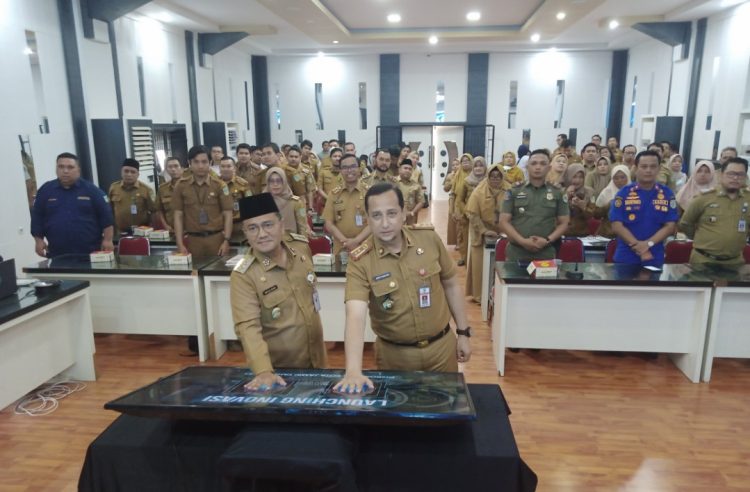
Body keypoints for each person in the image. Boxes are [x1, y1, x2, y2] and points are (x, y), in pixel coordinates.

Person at [333, 183, 472, 393]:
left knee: (447, 415)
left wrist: (463, 333)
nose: (385, 223)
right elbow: (355, 315)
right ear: (368, 219)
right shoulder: (361, 261)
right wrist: (353, 370)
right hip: (395, 358)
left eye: (391, 213)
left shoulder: (429, 239)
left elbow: (451, 284)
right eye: (377, 216)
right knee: (400, 423)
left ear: (404, 212)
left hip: (442, 349)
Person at [230, 193, 327, 390]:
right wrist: (263, 371)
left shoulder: (300, 249)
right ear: (245, 233)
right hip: (279, 374)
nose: (261, 234)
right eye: (252, 228)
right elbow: (248, 328)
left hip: (318, 363)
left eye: (268, 225)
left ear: (281, 224)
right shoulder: (245, 275)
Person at [31, 152, 114, 257]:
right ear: (56, 169)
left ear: (78, 170)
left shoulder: (91, 190)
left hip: (89, 252)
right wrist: (38, 240)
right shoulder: (46, 191)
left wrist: (108, 240)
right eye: (61, 167)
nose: (65, 171)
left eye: (70, 167)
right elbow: (37, 217)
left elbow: (106, 217)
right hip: (57, 252)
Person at [609, 150, 678, 268]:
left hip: (654, 256)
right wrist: (641, 248)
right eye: (644, 166)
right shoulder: (624, 193)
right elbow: (617, 226)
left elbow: (670, 226)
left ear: (659, 168)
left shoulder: (667, 194)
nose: (648, 170)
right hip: (626, 257)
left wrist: (648, 244)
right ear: (636, 168)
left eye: (653, 166)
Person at [499, 149, 570, 261]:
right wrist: (522, 241)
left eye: (542, 164)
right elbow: (504, 221)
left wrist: (547, 240)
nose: (538, 167)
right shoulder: (514, 191)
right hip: (516, 252)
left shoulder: (558, 192)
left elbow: (564, 223)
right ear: (527, 167)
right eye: (534, 163)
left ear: (549, 168)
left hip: (545, 252)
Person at [678, 157, 750, 265]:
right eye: (731, 174)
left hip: (734, 262)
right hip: (703, 260)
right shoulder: (704, 198)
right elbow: (685, 223)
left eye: (740, 174)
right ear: (721, 175)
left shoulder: (748, 199)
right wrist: (702, 239)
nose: (735, 178)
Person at [172, 145, 234, 258]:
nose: (200, 166)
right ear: (189, 163)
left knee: (217, 273)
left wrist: (226, 240)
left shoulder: (220, 185)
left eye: (204, 162)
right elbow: (178, 215)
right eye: (196, 162)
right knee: (194, 274)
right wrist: (179, 243)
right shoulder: (181, 186)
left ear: (210, 163)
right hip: (192, 241)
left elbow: (228, 214)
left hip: (216, 240)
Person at [465, 163, 507, 303]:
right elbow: (472, 213)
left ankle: (499, 296)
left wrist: (506, 230)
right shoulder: (479, 191)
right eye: (492, 176)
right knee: (480, 267)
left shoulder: (509, 190)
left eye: (498, 176)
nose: (495, 179)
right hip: (481, 232)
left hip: (504, 232)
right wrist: (484, 230)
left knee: (501, 265)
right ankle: (480, 295)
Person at [322, 153, 371, 257]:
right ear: (340, 170)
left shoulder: (370, 192)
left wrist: (356, 241)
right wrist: (345, 242)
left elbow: (374, 222)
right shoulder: (334, 194)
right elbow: (329, 223)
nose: (349, 170)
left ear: (359, 169)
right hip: (341, 249)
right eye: (345, 167)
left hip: (366, 247)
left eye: (353, 166)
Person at [108, 158, 156, 236]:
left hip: (142, 232)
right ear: (121, 172)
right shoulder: (114, 188)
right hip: (119, 232)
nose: (129, 174)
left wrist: (152, 230)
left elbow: (154, 212)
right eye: (126, 171)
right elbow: (110, 210)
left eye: (133, 172)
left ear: (138, 174)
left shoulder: (146, 190)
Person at [455, 156, 487, 265]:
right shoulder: (466, 181)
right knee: (466, 238)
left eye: (481, 166)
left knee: (481, 238)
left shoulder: (488, 182)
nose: (478, 168)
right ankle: (464, 258)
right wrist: (467, 212)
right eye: (476, 166)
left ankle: (480, 260)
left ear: (485, 167)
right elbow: (459, 199)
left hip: (484, 217)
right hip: (467, 216)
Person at [264, 167, 309, 237]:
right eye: (271, 181)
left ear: (284, 182)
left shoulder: (296, 203)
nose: (275, 184)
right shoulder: (262, 202)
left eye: (279, 181)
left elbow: (303, 229)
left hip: (291, 244)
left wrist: (301, 246)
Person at [219, 156, 252, 241]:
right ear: (219, 168)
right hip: (220, 228)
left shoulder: (242, 184)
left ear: (234, 168)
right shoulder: (214, 184)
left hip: (239, 227)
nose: (225, 169)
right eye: (223, 166)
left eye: (229, 166)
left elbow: (250, 205)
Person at [594, 164, 631, 237]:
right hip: (608, 233)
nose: (619, 180)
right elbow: (596, 214)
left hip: (630, 233)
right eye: (616, 178)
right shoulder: (606, 192)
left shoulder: (634, 192)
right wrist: (609, 205)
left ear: (628, 177)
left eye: (622, 177)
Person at [563, 163, 596, 237]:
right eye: (574, 177)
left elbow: (592, 215)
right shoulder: (561, 191)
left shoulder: (589, 192)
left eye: (581, 177)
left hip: (582, 233)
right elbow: (556, 214)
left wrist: (583, 207)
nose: (577, 180)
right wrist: (566, 196)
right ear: (568, 176)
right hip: (563, 233)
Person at [155, 156, 184, 232]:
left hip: (190, 232)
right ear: (166, 170)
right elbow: (159, 211)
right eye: (170, 167)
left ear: (182, 168)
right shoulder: (162, 189)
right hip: (171, 230)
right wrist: (166, 226)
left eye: (176, 166)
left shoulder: (191, 186)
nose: (173, 169)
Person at [396, 159, 425, 225]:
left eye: (410, 169)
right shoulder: (393, 182)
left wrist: (412, 212)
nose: (408, 170)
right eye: (405, 168)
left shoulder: (416, 185)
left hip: (411, 217)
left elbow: (421, 201)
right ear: (399, 170)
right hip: (395, 216)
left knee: (410, 234)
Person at [443, 158, 460, 245]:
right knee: (453, 221)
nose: (455, 166)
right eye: (453, 165)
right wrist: (451, 181)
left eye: (457, 164)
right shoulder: (450, 176)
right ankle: (455, 242)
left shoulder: (465, 175)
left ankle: (461, 242)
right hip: (453, 199)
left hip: (462, 200)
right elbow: (445, 189)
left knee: (460, 222)